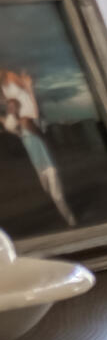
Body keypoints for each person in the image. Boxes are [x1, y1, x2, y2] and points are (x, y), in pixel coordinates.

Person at [0, 70, 72, 225]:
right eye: (9, 107)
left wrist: (29, 88)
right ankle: (63, 210)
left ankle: (68, 217)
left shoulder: (29, 118)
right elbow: (8, 124)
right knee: (46, 186)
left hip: (46, 162)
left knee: (55, 191)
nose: (10, 108)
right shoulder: (16, 123)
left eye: (12, 106)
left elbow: (33, 110)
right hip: (38, 164)